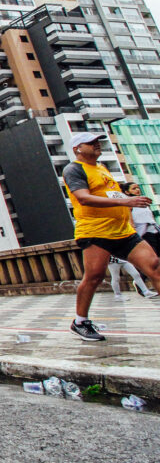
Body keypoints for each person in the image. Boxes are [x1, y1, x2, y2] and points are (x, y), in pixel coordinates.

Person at [62, 132, 160, 341]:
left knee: (155, 267)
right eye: (90, 143)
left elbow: (109, 195)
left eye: (98, 142)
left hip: (123, 231)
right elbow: (84, 198)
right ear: (77, 149)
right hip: (96, 231)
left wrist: (130, 200)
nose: (97, 145)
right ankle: (80, 322)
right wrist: (125, 202)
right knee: (95, 276)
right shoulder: (74, 169)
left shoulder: (101, 168)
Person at [126, 182, 160, 264]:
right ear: (127, 192)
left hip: (155, 231)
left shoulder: (144, 202)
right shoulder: (128, 204)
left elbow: (150, 217)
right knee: (152, 257)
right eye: (134, 189)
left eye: (138, 188)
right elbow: (130, 220)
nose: (137, 190)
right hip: (143, 233)